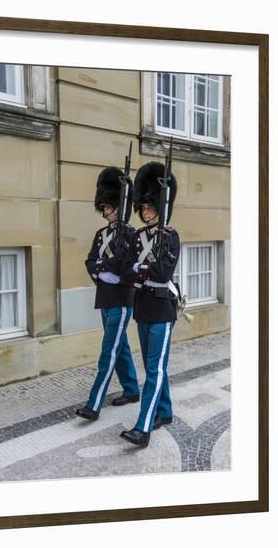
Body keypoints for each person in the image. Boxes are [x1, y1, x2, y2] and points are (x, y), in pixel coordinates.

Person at [120, 161, 180, 447]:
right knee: (154, 367)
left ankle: (143, 427)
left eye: (150, 208)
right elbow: (128, 268)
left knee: (154, 370)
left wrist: (140, 270)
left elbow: (162, 274)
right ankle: (165, 412)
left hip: (162, 310)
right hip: (142, 309)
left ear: (160, 207)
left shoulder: (170, 236)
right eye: (142, 209)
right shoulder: (137, 237)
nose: (145, 212)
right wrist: (142, 269)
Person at [75, 167, 140, 421]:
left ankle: (94, 405)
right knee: (119, 345)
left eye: (108, 207)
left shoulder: (132, 234)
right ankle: (132, 389)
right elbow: (91, 261)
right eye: (102, 207)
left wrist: (106, 269)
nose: (104, 211)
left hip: (122, 300)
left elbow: (123, 265)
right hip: (105, 298)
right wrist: (102, 271)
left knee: (108, 351)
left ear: (118, 205)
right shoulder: (101, 235)